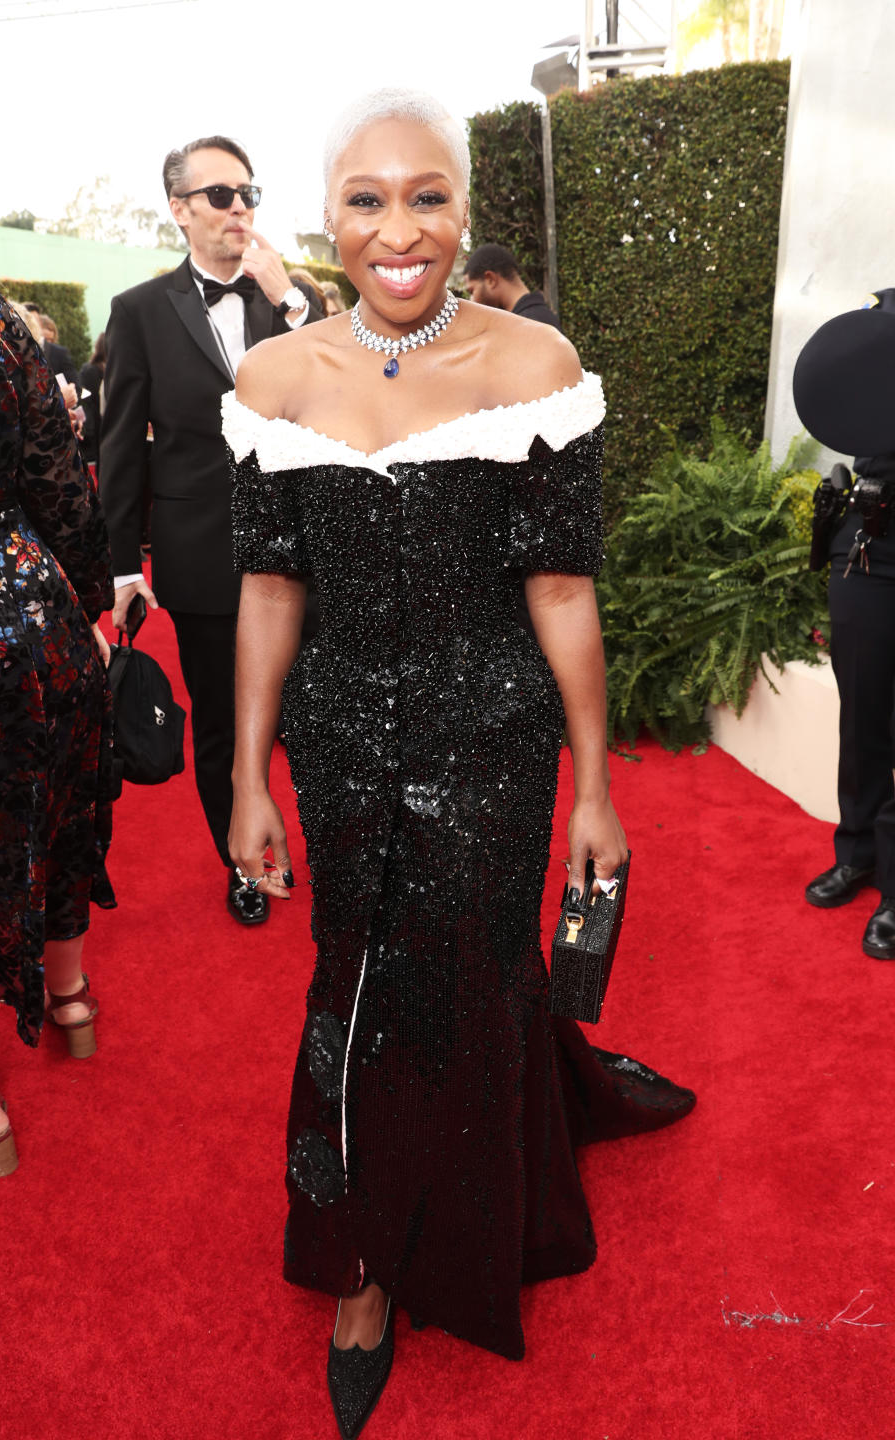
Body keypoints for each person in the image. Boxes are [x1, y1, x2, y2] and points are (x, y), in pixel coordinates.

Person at [225, 89, 695, 1438]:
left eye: (426, 195)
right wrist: (252, 772)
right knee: (356, 972)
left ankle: (447, 1242)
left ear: (464, 210)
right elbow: (268, 587)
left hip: (492, 734)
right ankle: (365, 1262)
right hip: (339, 738)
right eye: (367, 199)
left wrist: (594, 786)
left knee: (473, 968)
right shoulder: (274, 380)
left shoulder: (533, 364)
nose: (398, 228)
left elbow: (561, 592)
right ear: (328, 215)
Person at [99, 134, 323, 926]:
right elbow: (119, 447)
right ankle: (245, 859)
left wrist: (292, 300)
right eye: (222, 195)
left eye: (249, 193)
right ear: (180, 211)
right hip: (203, 556)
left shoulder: (292, 302)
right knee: (226, 724)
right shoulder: (137, 314)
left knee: (323, 707)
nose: (240, 209)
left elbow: (336, 391)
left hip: (307, 543)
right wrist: (124, 568)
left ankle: (337, 850)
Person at [0, 181, 114, 1176]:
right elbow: (63, 484)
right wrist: (88, 608)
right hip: (32, 609)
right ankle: (70, 999)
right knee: (52, 811)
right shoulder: (0, 323)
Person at [804, 286, 895, 959]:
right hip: (872, 541)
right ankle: (858, 850)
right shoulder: (888, 312)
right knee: (862, 711)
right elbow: (837, 386)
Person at [462, 242, 562, 329]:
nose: (472, 300)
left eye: (472, 291)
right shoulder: (538, 318)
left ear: (490, 279)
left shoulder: (529, 325)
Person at [79, 332, 107, 471]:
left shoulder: (94, 369)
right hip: (96, 425)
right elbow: (86, 400)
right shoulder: (91, 370)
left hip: (100, 425)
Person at [38, 312, 80, 388]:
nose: (48, 343)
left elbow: (75, 386)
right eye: (45, 339)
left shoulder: (60, 354)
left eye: (51, 340)